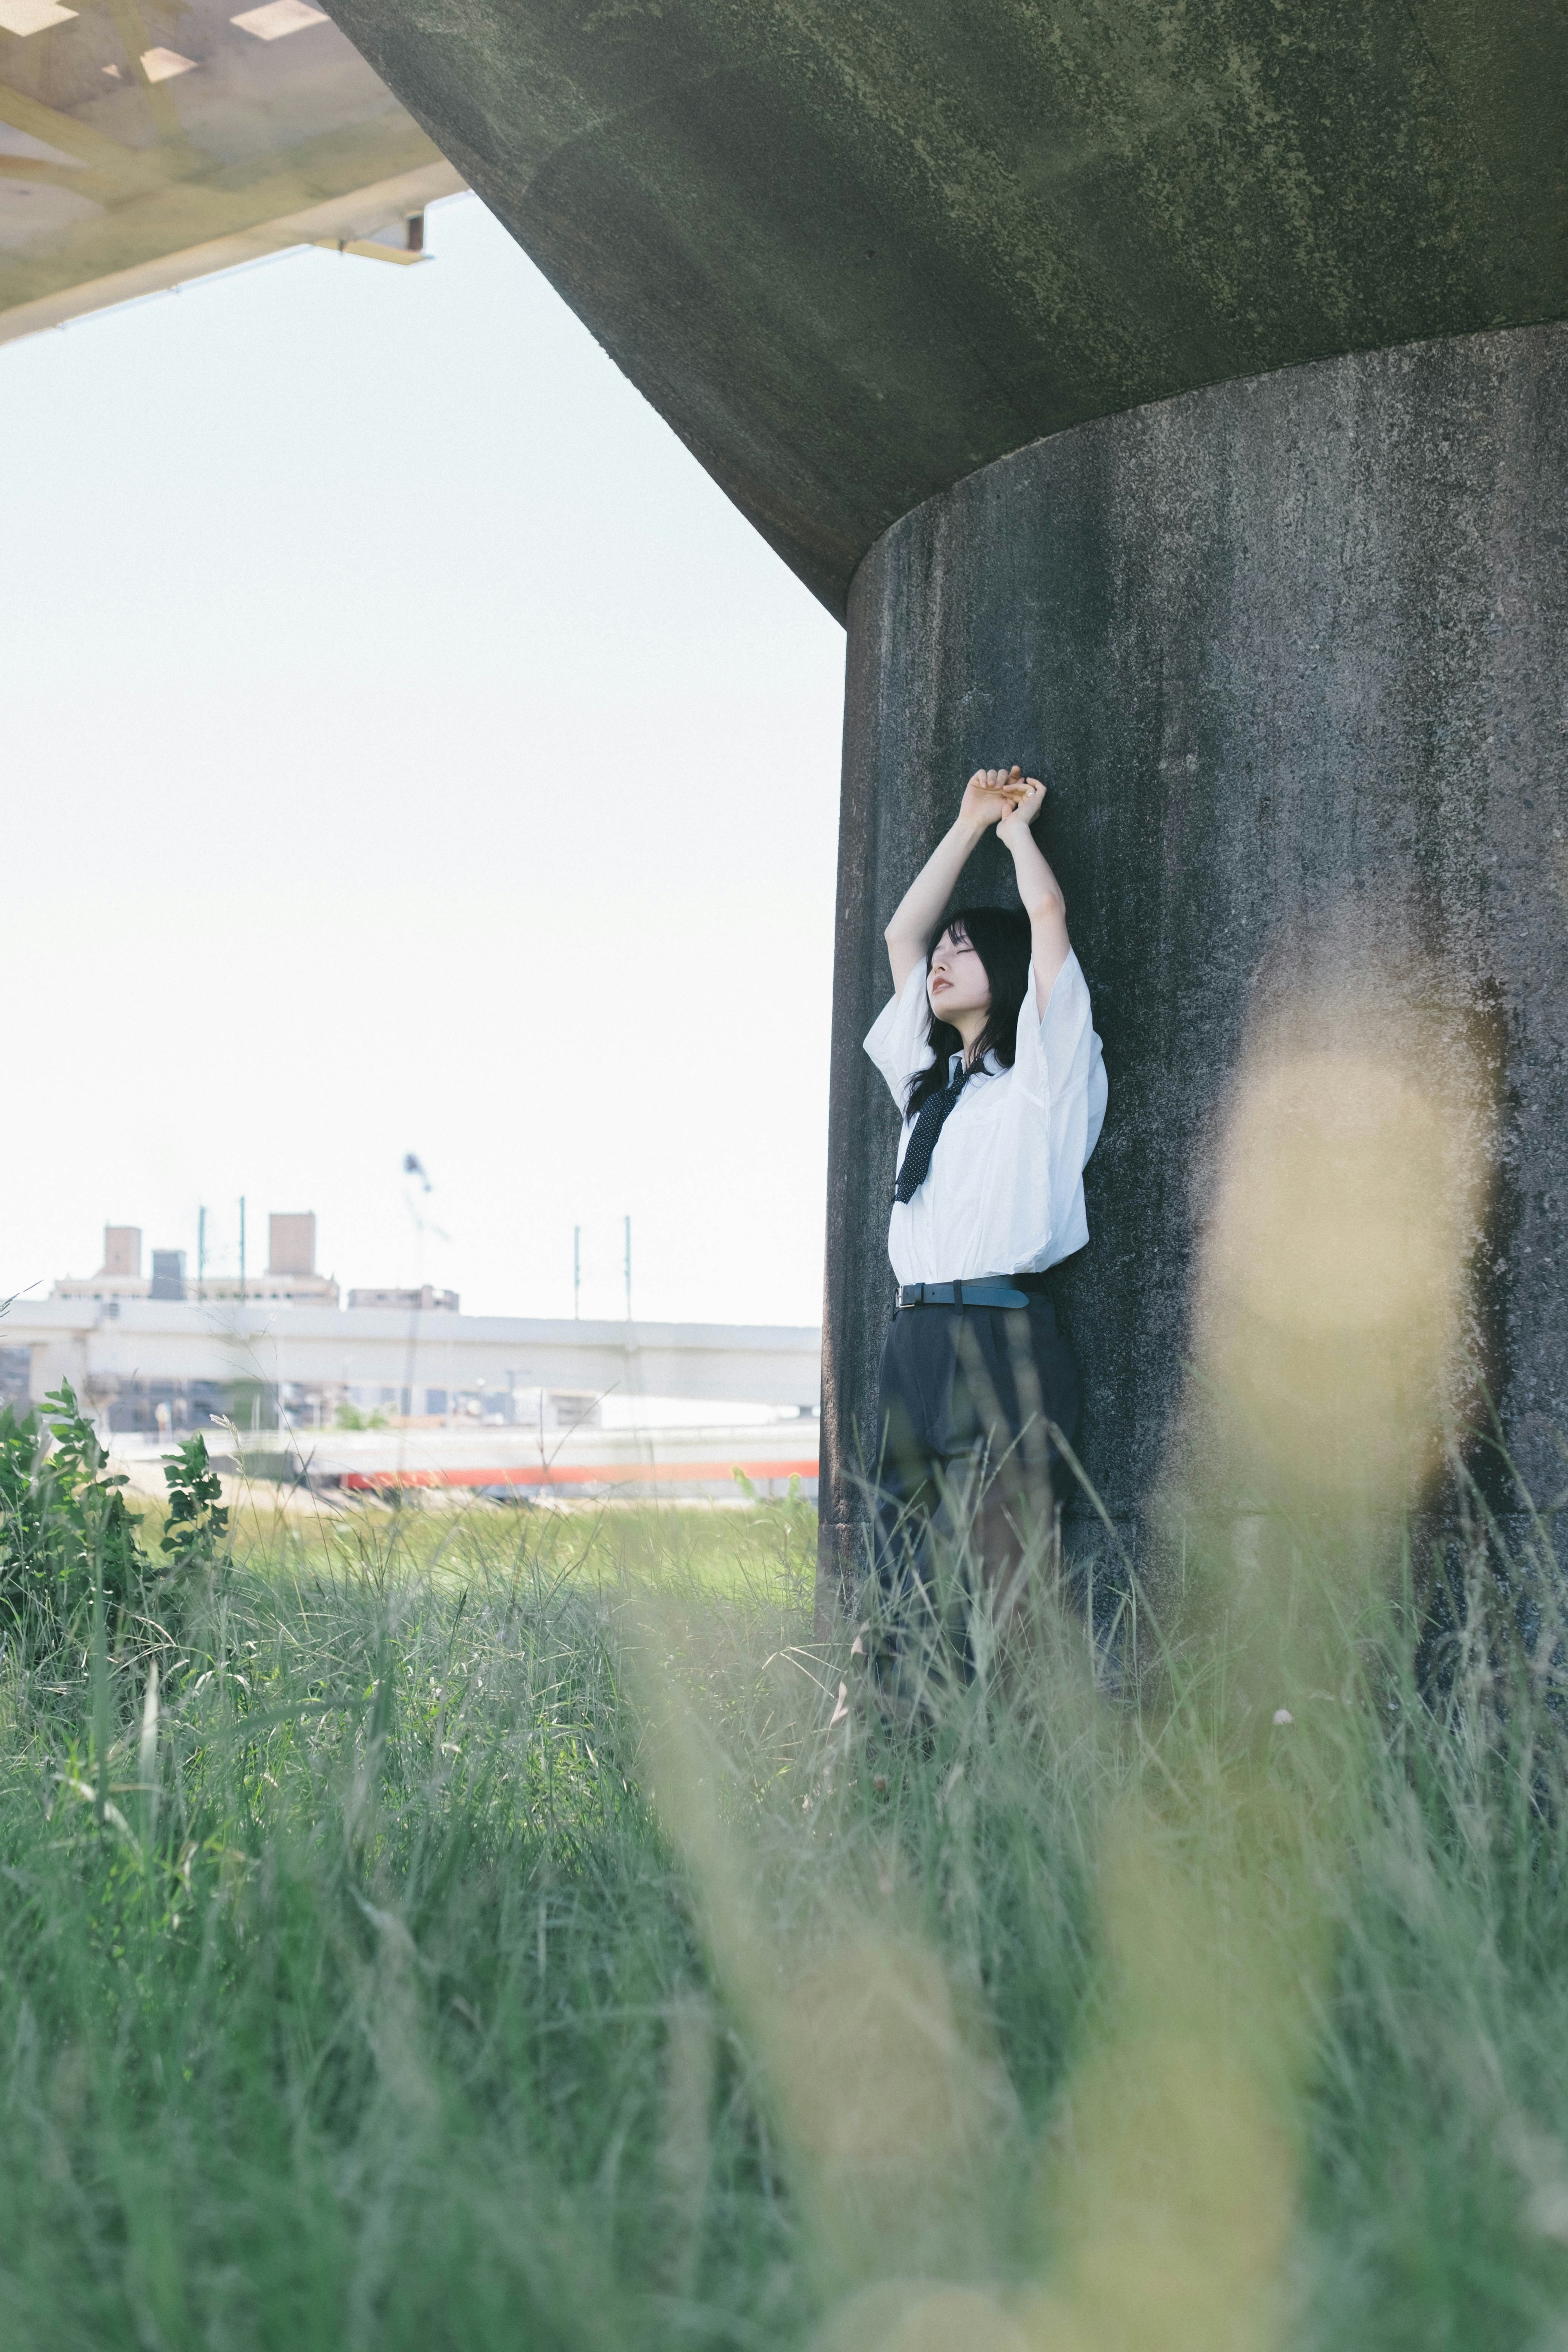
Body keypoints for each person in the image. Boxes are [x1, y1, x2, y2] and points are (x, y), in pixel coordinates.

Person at [861, 763, 1107, 1696]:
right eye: (943, 952)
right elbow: (898, 934)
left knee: (1006, 1577)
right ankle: (899, 1768)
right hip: (913, 1337)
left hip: (1004, 1334)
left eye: (963, 950)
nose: (938, 961)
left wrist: (1013, 835)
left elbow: (1047, 919)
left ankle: (1016, 1778)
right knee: (898, 1573)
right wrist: (964, 824)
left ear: (1000, 977)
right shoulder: (927, 1081)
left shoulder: (1044, 1077)